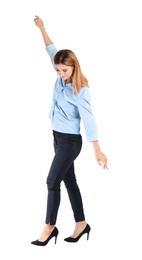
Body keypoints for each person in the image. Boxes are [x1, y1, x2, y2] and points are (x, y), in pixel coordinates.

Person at [31, 15, 108, 246]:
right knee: (69, 182)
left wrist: (97, 149)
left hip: (70, 142)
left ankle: (49, 227)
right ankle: (81, 223)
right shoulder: (60, 77)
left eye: (64, 70)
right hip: (56, 138)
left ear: (74, 67)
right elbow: (50, 49)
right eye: (57, 70)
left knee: (51, 181)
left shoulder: (80, 89)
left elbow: (89, 119)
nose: (60, 74)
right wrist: (42, 28)